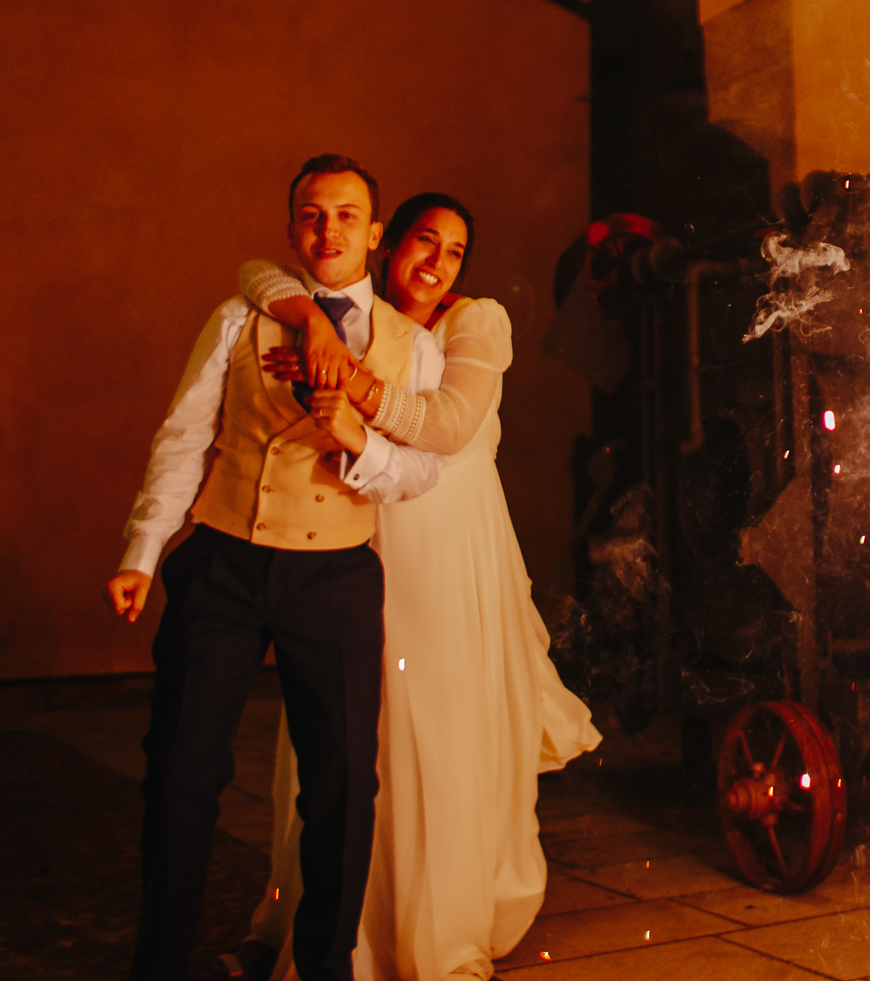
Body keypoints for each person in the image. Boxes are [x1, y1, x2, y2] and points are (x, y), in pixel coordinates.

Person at [229, 191, 600, 981]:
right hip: (364, 527)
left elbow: (448, 426)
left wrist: (344, 379)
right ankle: (333, 916)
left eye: (455, 252)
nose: (436, 264)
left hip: (452, 546)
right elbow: (257, 272)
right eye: (424, 243)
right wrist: (315, 325)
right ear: (385, 243)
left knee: (437, 727)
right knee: (350, 722)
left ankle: (438, 922)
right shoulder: (344, 309)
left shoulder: (478, 321)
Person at [108, 155, 448, 981]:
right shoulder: (239, 316)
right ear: (292, 226)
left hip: (333, 579)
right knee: (182, 773)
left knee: (339, 791)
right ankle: (158, 964)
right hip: (221, 563)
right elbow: (184, 435)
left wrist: (357, 441)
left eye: (345, 215)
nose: (326, 229)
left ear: (374, 232)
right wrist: (143, 553)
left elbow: (422, 471)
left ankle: (326, 966)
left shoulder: (412, 348)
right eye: (310, 213)